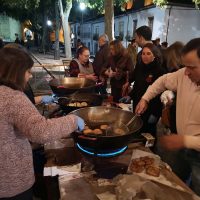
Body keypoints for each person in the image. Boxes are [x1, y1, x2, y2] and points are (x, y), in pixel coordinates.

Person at [0, 47, 85, 199]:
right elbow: (41, 131)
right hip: (11, 182)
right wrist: (73, 120)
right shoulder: (12, 97)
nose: (31, 76)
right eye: (28, 71)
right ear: (16, 72)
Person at [135, 38, 200, 195]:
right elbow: (162, 81)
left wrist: (185, 140)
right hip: (181, 146)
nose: (186, 72)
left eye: (191, 67)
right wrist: (145, 98)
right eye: (185, 66)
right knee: (170, 182)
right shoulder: (183, 75)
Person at [121, 43, 165, 136]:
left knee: (149, 133)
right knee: (137, 130)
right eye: (143, 53)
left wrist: (156, 114)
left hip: (152, 108)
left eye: (148, 54)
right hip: (138, 104)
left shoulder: (160, 71)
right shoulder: (139, 67)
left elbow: (160, 95)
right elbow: (137, 86)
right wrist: (130, 96)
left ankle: (151, 150)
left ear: (155, 55)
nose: (145, 56)